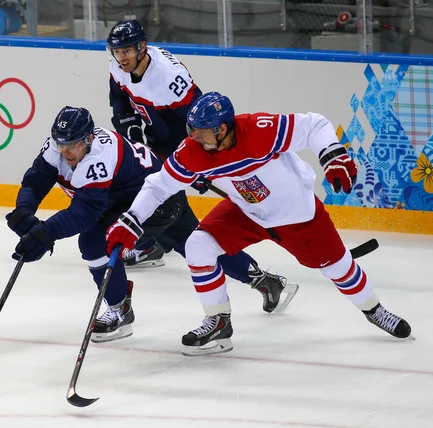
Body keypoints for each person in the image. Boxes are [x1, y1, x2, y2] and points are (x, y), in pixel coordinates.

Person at [106, 92, 413, 356]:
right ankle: (219, 322)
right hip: (247, 212)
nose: (193, 137)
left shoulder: (259, 129)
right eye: (192, 130)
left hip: (297, 217)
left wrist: (333, 156)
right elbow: (159, 186)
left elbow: (314, 124)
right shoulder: (193, 151)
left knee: (339, 268)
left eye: (201, 131)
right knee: (198, 245)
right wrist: (130, 222)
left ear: (223, 128)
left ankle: (375, 310)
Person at [6, 106, 295, 343]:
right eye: (62, 143)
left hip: (156, 200)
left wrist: (44, 233)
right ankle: (265, 281)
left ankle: (119, 310)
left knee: (94, 241)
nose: (66, 151)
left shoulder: (99, 157)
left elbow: (85, 213)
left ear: (90, 138)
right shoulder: (56, 147)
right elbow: (36, 179)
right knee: (196, 246)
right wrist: (25, 210)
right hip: (140, 196)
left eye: (74, 144)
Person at [107, 19, 212, 268]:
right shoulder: (117, 65)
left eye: (127, 50)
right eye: (117, 51)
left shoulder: (169, 78)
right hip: (156, 137)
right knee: (158, 191)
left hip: (181, 140)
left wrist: (198, 162)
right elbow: (120, 99)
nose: (121, 57)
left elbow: (200, 121)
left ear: (142, 47)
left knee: (163, 193)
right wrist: (130, 128)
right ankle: (160, 244)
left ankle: (195, 246)